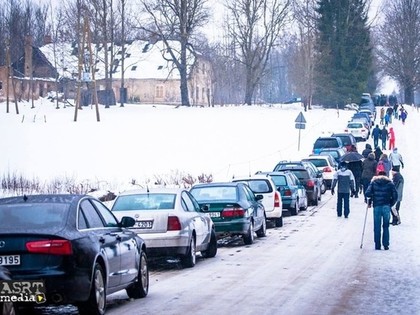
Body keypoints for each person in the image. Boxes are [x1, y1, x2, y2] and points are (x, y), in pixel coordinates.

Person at [365, 171, 398, 250]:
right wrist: (391, 203)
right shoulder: (390, 183)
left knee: (377, 226)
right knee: (386, 226)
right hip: (386, 206)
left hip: (377, 207)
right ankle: (386, 244)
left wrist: (372, 198)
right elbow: (395, 195)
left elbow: (367, 193)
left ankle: (377, 245)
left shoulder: (374, 182)